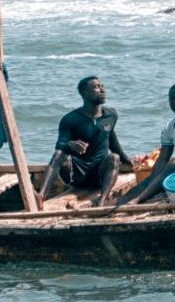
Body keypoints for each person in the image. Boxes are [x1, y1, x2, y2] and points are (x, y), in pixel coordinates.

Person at [43, 75, 136, 206]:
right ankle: (41, 196)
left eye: (102, 86)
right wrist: (70, 145)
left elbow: (111, 139)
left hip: (99, 176)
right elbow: (60, 145)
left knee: (114, 157)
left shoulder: (111, 115)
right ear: (84, 93)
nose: (102, 90)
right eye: (96, 87)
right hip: (76, 177)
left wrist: (126, 159)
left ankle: (102, 201)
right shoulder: (70, 119)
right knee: (59, 154)